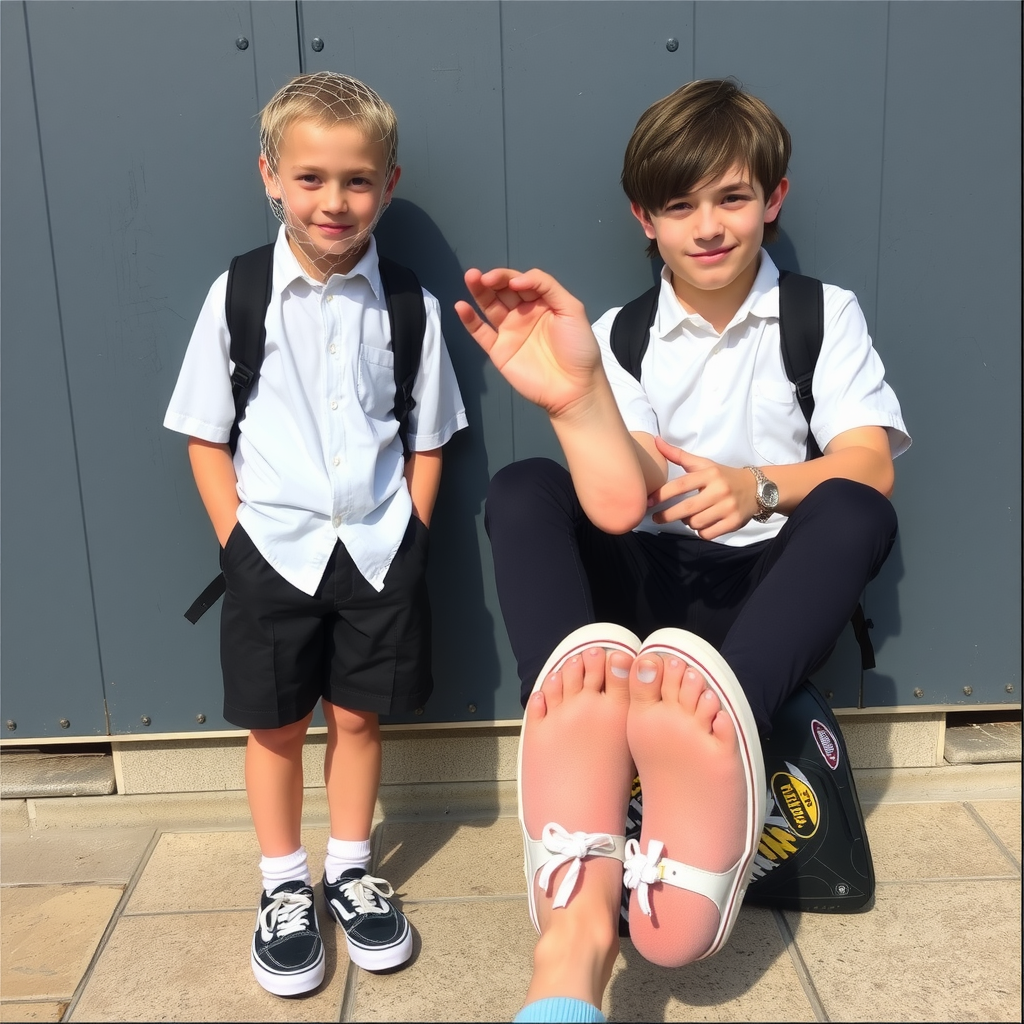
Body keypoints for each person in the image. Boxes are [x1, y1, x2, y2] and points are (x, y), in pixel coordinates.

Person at [455, 79, 908, 1022]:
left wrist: (762, 485)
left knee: (859, 511)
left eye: (732, 198)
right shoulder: (622, 334)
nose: (708, 226)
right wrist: (578, 405)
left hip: (762, 601)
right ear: (644, 219)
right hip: (647, 593)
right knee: (523, 488)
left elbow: (868, 462)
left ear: (773, 199)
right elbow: (617, 503)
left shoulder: (822, 316)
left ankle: (717, 736)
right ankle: (579, 750)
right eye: (679, 205)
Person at [164, 72, 467, 996]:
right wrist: (237, 540)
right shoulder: (240, 294)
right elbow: (203, 433)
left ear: (390, 181)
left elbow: (428, 436)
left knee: (359, 715)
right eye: (310, 178)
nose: (334, 202)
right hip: (273, 554)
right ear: (270, 177)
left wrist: (411, 534)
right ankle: (283, 886)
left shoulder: (408, 304)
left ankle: (348, 869)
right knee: (277, 723)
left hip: (376, 551)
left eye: (358, 180)